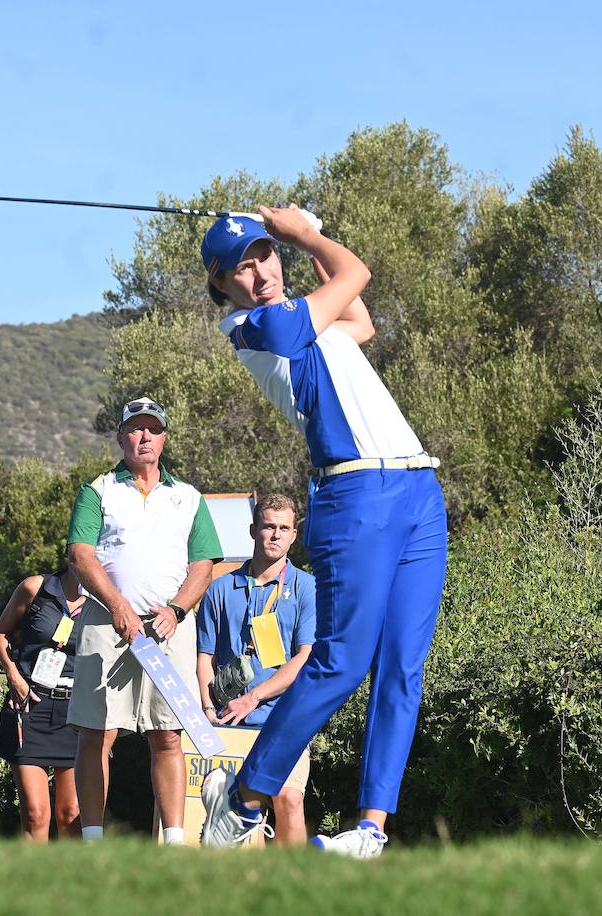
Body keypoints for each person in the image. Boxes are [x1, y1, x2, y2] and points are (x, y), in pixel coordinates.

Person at [198, 206, 447, 857]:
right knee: (340, 662)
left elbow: (358, 313)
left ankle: (370, 829)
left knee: (402, 666)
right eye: (240, 268)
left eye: (264, 256)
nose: (258, 274)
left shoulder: (311, 321)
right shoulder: (257, 326)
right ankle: (247, 798)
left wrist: (307, 249)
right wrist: (305, 233)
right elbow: (356, 271)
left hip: (418, 490)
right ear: (221, 286)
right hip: (355, 493)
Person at [65, 396, 223, 845]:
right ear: (120, 438)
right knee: (96, 732)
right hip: (105, 623)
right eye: (135, 429)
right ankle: (92, 840)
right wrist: (117, 605)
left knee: (168, 734)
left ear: (165, 438)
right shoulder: (97, 490)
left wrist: (176, 610)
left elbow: (203, 566)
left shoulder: (188, 497)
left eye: (153, 429)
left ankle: (174, 841)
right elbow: (81, 554)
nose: (144, 436)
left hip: (168, 627)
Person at [196, 493, 316, 846]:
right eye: (268, 527)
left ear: (295, 535)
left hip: (284, 718)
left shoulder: (306, 587)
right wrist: (207, 709)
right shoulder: (219, 588)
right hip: (228, 722)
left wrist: (253, 698)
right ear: (253, 530)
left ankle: (298, 889)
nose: (276, 535)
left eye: (284, 528)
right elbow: (205, 658)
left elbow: (304, 657)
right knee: (243, 820)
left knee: (289, 800)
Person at [0, 566, 85, 840]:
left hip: (77, 713)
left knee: (72, 815)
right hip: (30, 707)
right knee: (35, 814)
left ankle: (72, 883)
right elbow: (0, 633)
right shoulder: (37, 588)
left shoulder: (103, 600)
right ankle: (33, 882)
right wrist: (14, 677)